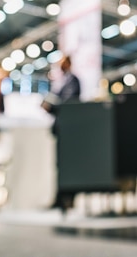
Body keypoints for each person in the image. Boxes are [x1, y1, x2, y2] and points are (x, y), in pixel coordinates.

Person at [42, 55, 81, 212]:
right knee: (60, 164)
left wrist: (51, 106)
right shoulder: (62, 82)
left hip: (69, 129)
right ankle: (60, 197)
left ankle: (68, 198)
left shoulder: (73, 81)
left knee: (68, 164)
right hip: (61, 128)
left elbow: (68, 103)